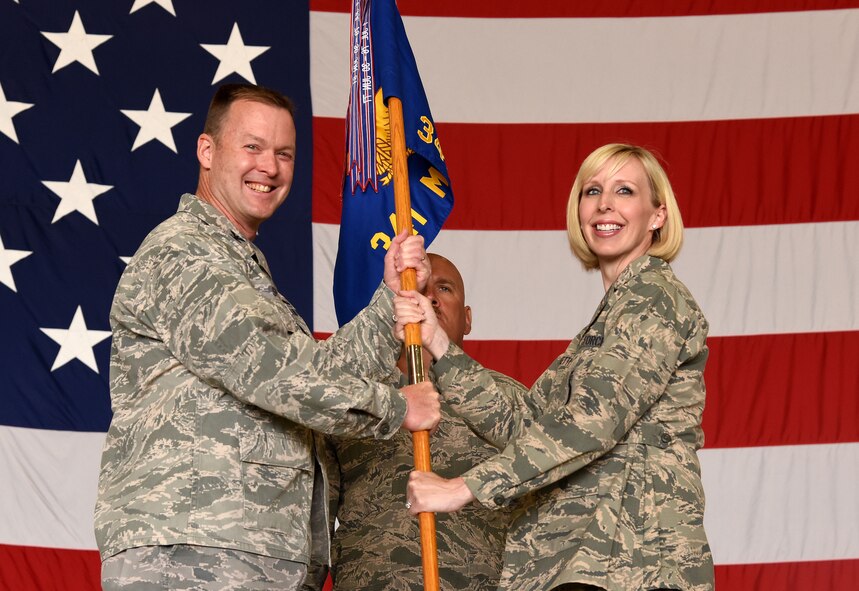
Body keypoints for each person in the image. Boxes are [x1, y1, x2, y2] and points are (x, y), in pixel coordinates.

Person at [94, 83, 441, 591]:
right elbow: (272, 370)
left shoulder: (241, 266)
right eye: (252, 147)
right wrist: (395, 407)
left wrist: (389, 299)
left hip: (254, 552)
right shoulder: (183, 252)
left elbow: (311, 372)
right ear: (207, 151)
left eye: (284, 153)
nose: (271, 167)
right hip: (195, 550)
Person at [397, 144, 715, 591]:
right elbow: (525, 422)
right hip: (581, 560)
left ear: (657, 216)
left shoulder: (653, 297)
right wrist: (439, 343)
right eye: (592, 191)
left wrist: (462, 488)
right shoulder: (606, 321)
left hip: (634, 564)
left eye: (624, 190)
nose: (604, 204)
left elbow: (593, 420)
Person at [318, 254, 524, 591]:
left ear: (468, 318)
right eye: (418, 288)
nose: (429, 298)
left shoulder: (509, 401)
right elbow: (316, 517)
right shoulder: (354, 397)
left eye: (444, 288)